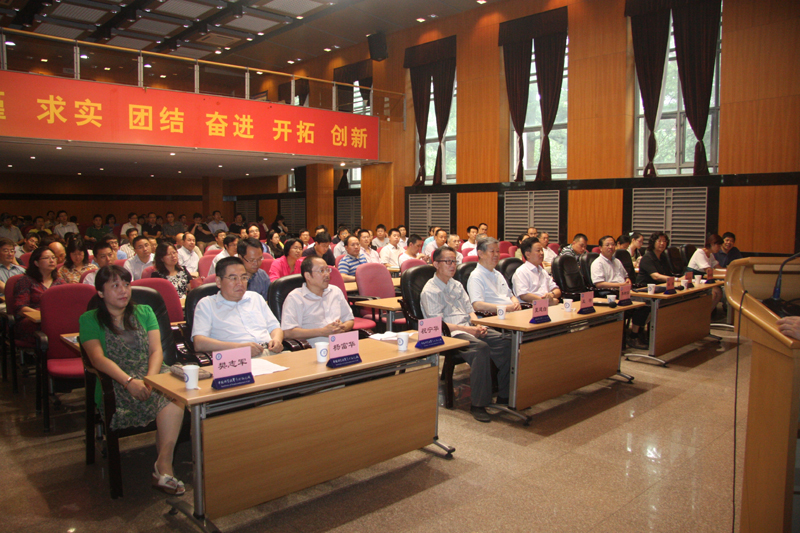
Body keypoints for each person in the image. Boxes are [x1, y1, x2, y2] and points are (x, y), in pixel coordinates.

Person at [79, 265, 186, 495]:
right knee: (168, 399)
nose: (123, 290)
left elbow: (156, 351)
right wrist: (129, 382)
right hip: (116, 380)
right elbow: (97, 359)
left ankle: (163, 465)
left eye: (126, 285)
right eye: (115, 286)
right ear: (100, 292)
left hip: (151, 373)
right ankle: (164, 470)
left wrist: (150, 380)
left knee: (175, 395)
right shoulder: (89, 319)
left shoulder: (145, 311)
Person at [420, 246, 512, 422]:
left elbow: (470, 310)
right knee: (480, 348)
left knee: (505, 341)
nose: (452, 265)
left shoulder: (456, 284)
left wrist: (477, 324)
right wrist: (470, 330)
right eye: (448, 261)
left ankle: (504, 394)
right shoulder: (430, 290)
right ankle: (478, 404)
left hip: (468, 327)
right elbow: (437, 325)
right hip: (450, 334)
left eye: (454, 261)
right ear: (436, 264)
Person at [192, 257, 284, 356]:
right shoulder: (207, 304)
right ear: (218, 281)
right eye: (233, 278)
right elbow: (199, 343)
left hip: (270, 352)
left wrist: (277, 340)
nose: (240, 283)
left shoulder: (255, 298)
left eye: (244, 278)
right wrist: (240, 348)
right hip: (236, 357)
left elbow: (275, 327)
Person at [281, 256, 354, 346]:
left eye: (327, 270)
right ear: (308, 276)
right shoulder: (295, 298)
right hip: (314, 348)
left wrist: (342, 327)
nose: (327, 274)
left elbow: (349, 320)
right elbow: (288, 332)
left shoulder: (335, 291)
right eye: (321, 271)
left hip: (340, 346)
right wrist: (322, 332)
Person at [13, 246, 66, 342]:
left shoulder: (60, 282)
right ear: (36, 263)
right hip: (33, 320)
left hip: (56, 319)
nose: (52, 261)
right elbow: (20, 308)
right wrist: (43, 316)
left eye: (53, 257)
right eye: (46, 258)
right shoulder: (26, 280)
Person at [468, 237, 522, 315]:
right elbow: (477, 305)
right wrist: (505, 308)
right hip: (494, 317)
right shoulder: (476, 276)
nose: (496, 255)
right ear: (481, 254)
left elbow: (511, 296)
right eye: (492, 251)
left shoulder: (498, 274)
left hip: (511, 313)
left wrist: (516, 303)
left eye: (498, 251)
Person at [512, 238, 560, 305]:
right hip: (532, 307)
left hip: (548, 305)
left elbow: (557, 290)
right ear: (528, 254)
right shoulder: (521, 272)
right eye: (538, 251)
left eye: (542, 250)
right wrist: (546, 301)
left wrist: (552, 295)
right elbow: (524, 295)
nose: (542, 253)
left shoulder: (543, 271)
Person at [687, 233, 723, 310]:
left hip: (702, 278)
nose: (720, 248)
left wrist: (727, 271)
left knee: (719, 292)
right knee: (713, 293)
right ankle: (704, 313)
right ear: (712, 244)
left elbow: (717, 267)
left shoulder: (710, 254)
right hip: (693, 278)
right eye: (719, 246)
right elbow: (708, 270)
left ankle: (708, 313)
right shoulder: (700, 253)